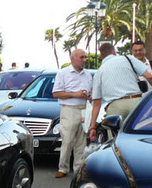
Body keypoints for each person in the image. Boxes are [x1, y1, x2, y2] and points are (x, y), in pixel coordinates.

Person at [89, 42, 152, 140]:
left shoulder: (99, 72)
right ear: (114, 51)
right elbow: (150, 77)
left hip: (115, 107)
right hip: (136, 103)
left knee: (115, 141)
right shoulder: (128, 59)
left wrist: (92, 127)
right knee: (142, 136)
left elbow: (96, 103)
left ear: (101, 56)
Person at [52, 49, 93, 178]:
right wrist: (75, 94)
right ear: (73, 59)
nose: (84, 60)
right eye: (82, 57)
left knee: (82, 141)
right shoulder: (63, 73)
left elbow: (91, 91)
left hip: (84, 109)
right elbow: (56, 93)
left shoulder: (88, 74)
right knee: (68, 139)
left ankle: (79, 168)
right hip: (69, 109)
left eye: (85, 57)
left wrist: (90, 96)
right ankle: (63, 168)